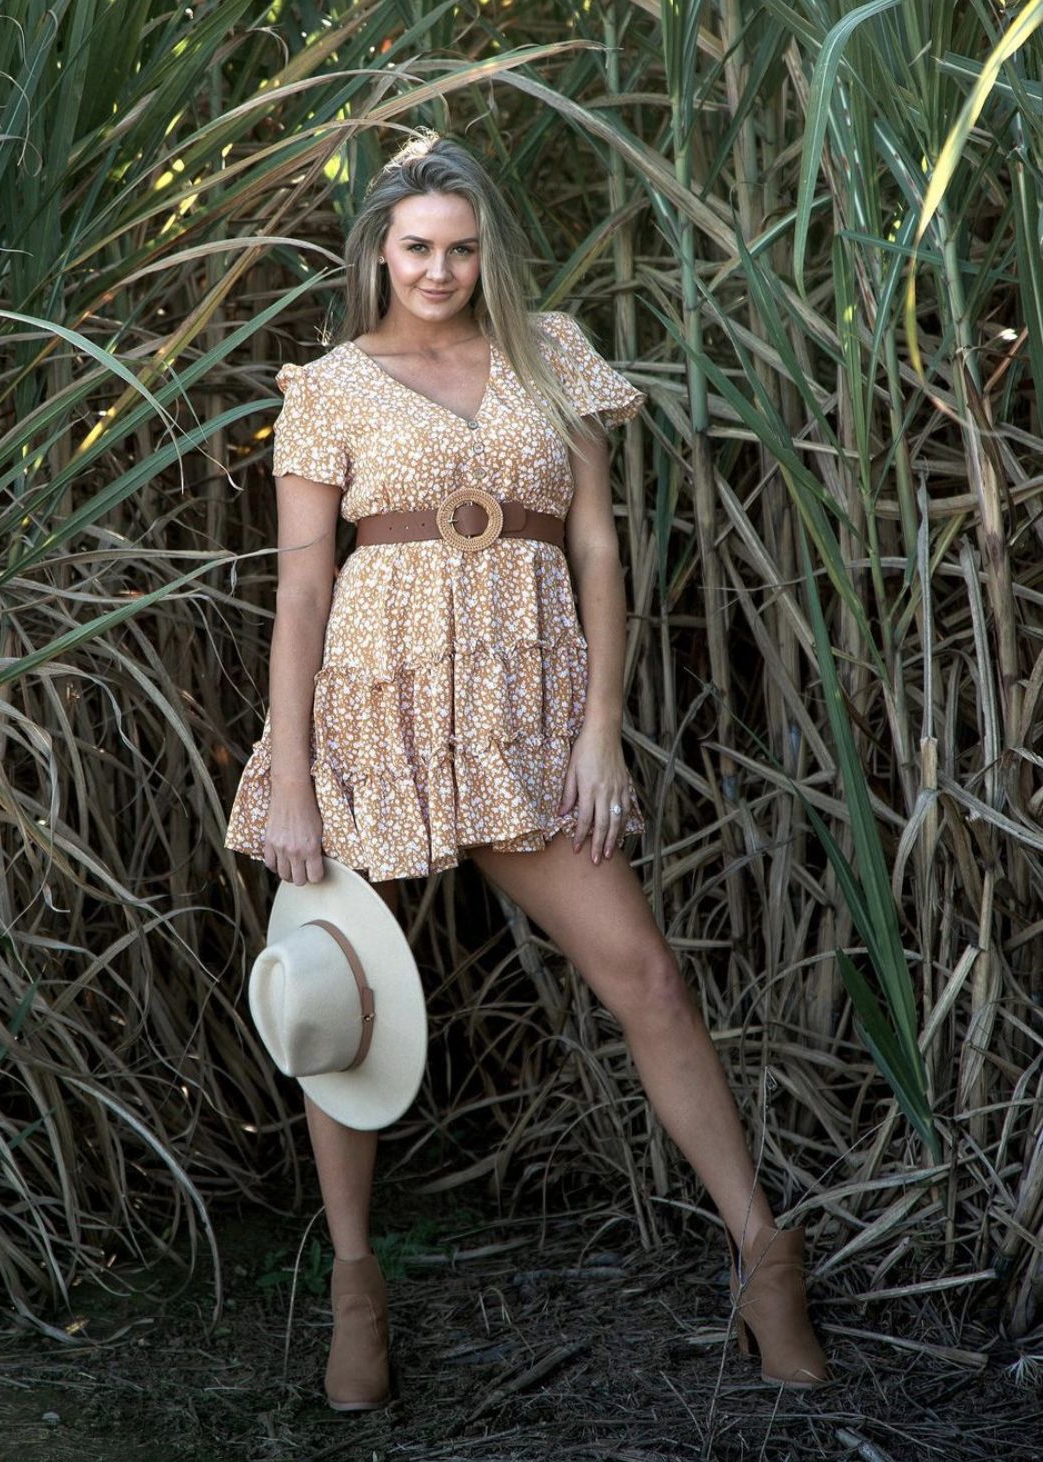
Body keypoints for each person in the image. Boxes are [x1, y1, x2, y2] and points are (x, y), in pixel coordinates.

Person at [226, 129, 831, 1407]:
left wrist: (600, 728)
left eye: (459, 248)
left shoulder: (552, 353)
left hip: (529, 716)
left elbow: (599, 549)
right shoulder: (328, 385)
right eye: (415, 248)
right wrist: (289, 777)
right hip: (374, 712)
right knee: (339, 997)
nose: (437, 271)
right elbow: (302, 588)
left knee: (646, 975)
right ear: (379, 251)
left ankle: (764, 1254)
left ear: (486, 250)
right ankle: (355, 1286)